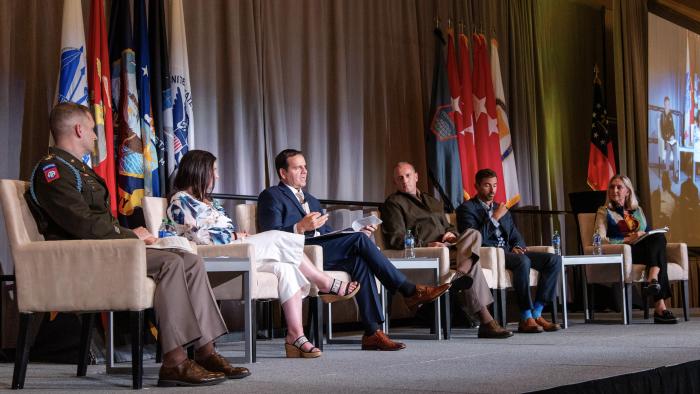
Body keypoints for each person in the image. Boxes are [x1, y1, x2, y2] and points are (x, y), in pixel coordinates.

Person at [27, 102, 249, 387]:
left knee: (190, 260)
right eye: (93, 131)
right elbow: (82, 225)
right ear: (78, 129)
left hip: (107, 249)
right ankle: (175, 362)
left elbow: (97, 222)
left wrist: (135, 235)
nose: (96, 138)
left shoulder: (75, 170)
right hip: (83, 258)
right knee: (170, 263)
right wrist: (132, 236)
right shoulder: (53, 171)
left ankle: (205, 351)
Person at [167, 150, 360, 358]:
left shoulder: (210, 202)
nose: (217, 176)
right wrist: (233, 236)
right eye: (213, 170)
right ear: (199, 171)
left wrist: (237, 235)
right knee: (278, 236)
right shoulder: (180, 200)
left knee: (285, 267)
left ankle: (296, 335)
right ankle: (324, 282)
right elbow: (199, 236)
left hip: (236, 249)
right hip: (213, 254)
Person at [257, 149, 450, 350]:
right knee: (358, 244)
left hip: (323, 250)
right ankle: (408, 290)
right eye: (298, 168)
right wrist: (300, 227)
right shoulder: (271, 195)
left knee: (360, 258)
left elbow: (327, 233)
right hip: (300, 253)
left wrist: (355, 232)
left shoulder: (312, 199)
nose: (305, 171)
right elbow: (272, 235)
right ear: (283, 173)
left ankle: (372, 332)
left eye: (305, 167)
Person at [381, 162, 512, 338]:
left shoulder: (432, 201)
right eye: (400, 178)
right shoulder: (394, 203)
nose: (405, 180)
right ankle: (486, 320)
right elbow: (395, 239)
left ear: (416, 176)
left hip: (450, 250)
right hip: (428, 254)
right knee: (473, 264)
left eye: (408, 175)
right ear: (395, 182)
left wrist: (450, 235)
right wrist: (428, 245)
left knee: (473, 234)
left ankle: (459, 275)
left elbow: (449, 227)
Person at [456, 168, 561, 334]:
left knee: (554, 260)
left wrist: (518, 246)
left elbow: (515, 234)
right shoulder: (466, 209)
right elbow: (474, 239)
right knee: (523, 261)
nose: (492, 190)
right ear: (476, 186)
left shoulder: (501, 208)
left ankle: (537, 313)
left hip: (508, 252)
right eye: (487, 186)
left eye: (495, 186)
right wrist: (494, 218)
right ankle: (526, 316)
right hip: (490, 254)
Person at [594, 175, 679, 324]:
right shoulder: (604, 211)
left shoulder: (637, 210)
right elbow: (600, 239)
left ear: (627, 191)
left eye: (619, 187)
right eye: (612, 187)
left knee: (658, 237)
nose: (614, 190)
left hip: (643, 251)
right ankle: (659, 305)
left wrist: (642, 235)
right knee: (659, 256)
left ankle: (653, 280)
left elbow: (646, 232)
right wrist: (627, 239)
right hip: (624, 253)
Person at [660, 96, 678, 182]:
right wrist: (666, 138)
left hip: (672, 139)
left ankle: (676, 173)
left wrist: (673, 136)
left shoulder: (671, 115)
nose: (667, 105)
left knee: (675, 152)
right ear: (664, 104)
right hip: (666, 140)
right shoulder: (662, 115)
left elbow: (673, 128)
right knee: (668, 151)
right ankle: (666, 173)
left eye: (668, 104)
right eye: (666, 104)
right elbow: (661, 130)